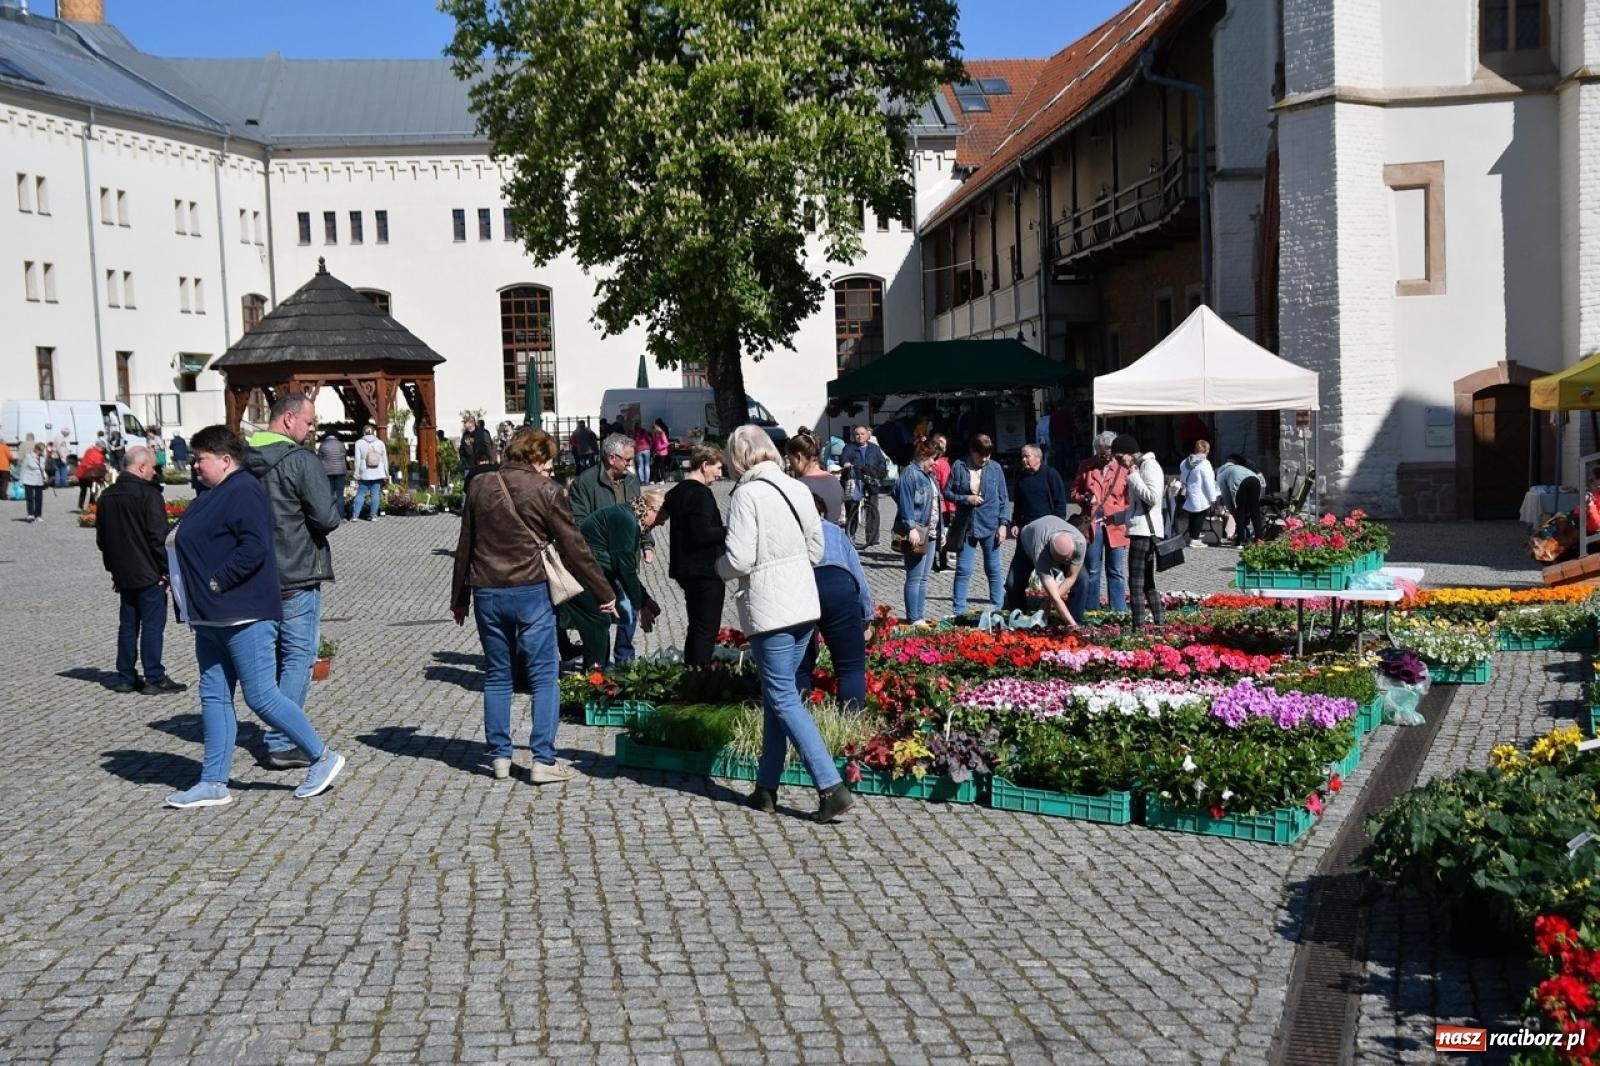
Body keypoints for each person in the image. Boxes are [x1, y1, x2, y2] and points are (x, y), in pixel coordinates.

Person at [165, 425, 346, 809]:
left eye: (201, 459)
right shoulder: (210, 495)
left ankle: (322, 757)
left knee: (261, 696)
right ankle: (213, 781)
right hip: (211, 619)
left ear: (226, 460)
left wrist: (215, 583)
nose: (195, 466)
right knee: (214, 696)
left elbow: (255, 548)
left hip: (243, 613)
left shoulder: (243, 490)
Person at [451, 427, 615, 781]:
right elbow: (576, 549)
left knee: (498, 675)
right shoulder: (548, 491)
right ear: (536, 457)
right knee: (544, 678)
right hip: (530, 591)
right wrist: (605, 593)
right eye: (550, 459)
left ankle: (498, 757)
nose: (553, 468)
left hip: (486, 592)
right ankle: (543, 760)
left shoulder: (479, 486)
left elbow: (466, 544)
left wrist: (459, 598)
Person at [717, 424, 852, 823]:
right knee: (780, 695)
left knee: (783, 697)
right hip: (803, 603)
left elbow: (738, 559)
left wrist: (717, 567)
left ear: (738, 456)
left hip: (771, 608)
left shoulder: (746, 494)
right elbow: (817, 547)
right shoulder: (795, 486)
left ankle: (830, 786)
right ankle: (766, 788)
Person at [246, 394, 343, 771]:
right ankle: (283, 739)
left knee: (271, 656)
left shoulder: (241, 460)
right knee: (299, 657)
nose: (311, 429)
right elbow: (326, 518)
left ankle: (278, 728)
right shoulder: (300, 461)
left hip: (255, 574)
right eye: (308, 422)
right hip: (297, 570)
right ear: (287, 420)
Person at [96, 445, 185, 694]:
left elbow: (103, 539)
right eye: (153, 468)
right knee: (152, 625)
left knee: (128, 625)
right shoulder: (148, 495)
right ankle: (154, 677)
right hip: (149, 573)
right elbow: (158, 538)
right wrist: (167, 571)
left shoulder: (107, 496)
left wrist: (114, 570)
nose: (154, 472)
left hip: (124, 573)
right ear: (141, 467)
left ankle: (125, 676)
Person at [569, 432, 655, 665]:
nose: (631, 464)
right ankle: (601, 665)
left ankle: (625, 658)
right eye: (627, 459)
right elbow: (579, 525)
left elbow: (640, 514)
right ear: (610, 458)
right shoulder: (585, 483)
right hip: (601, 564)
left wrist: (646, 543)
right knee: (606, 613)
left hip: (626, 555)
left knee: (628, 607)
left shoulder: (631, 480)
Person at [562, 492, 668, 669]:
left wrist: (646, 599)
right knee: (597, 623)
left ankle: (597, 673)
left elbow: (624, 569)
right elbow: (625, 570)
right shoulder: (626, 520)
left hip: (591, 573)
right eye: (662, 517)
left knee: (599, 623)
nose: (663, 522)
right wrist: (641, 605)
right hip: (583, 574)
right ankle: (594, 677)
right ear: (650, 510)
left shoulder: (628, 517)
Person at [799, 493, 872, 712]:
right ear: (821, 513)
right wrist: (866, 615)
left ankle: (799, 722)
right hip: (838, 587)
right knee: (851, 666)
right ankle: (848, 727)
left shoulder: (789, 532)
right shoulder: (834, 531)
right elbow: (859, 576)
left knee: (799, 668)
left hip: (803, 588)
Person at [663, 444, 727, 667]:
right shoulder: (700, 493)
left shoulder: (676, 492)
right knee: (706, 629)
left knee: (696, 625)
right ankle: (699, 676)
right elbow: (701, 534)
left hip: (685, 568)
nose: (719, 474)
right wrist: (731, 530)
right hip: (705, 569)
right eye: (717, 468)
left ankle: (691, 670)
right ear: (704, 465)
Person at [944, 433, 1011, 616]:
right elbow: (948, 493)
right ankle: (959, 611)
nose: (985, 459)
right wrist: (966, 498)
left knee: (993, 569)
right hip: (967, 526)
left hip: (990, 524)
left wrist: (1003, 524)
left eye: (988, 455)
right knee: (963, 569)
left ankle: (997, 607)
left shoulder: (995, 468)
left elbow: (1004, 498)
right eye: (981, 455)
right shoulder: (959, 466)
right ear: (972, 452)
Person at [1068, 431, 1129, 621]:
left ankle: (1118, 611)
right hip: (1092, 524)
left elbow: (1129, 498)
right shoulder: (1086, 466)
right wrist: (1084, 498)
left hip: (1116, 525)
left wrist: (1121, 512)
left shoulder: (1123, 468)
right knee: (1093, 569)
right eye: (1100, 451)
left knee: (1116, 570)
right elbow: (1073, 492)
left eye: (1107, 452)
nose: (1103, 456)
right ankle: (1091, 609)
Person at [1004, 444, 1069, 611]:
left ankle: (1071, 611)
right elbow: (1018, 504)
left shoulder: (1050, 475)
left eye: (1027, 456)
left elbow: (1061, 504)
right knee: (1012, 583)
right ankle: (1018, 615)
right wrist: (1015, 523)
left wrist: (1057, 527)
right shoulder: (1021, 477)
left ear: (1038, 458)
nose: (1024, 460)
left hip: (1049, 534)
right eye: (1022, 456)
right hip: (1027, 535)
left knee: (1075, 576)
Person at [1114, 434, 1166, 630]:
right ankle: (1159, 621)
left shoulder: (1148, 467)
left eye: (1120, 457)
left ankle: (1138, 627)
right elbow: (1137, 507)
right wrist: (1116, 518)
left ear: (1130, 453)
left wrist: (1134, 477)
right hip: (1142, 529)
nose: (1120, 463)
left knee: (1135, 581)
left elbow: (1152, 498)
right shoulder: (1140, 467)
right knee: (1146, 582)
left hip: (1144, 532)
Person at [894, 437, 940, 621]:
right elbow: (904, 502)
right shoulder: (910, 474)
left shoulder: (929, 476)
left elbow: (936, 503)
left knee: (923, 578)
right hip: (917, 531)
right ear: (924, 455)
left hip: (931, 531)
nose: (935, 463)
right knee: (914, 577)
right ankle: (913, 618)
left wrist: (941, 529)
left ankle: (919, 617)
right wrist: (911, 527)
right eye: (933, 458)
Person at [1017, 514, 1086, 627]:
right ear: (1052, 555)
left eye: (1069, 558)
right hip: (1027, 541)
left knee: (1082, 579)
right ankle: (1020, 621)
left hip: (1051, 527)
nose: (1066, 562)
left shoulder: (1080, 542)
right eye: (1063, 560)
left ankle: (1076, 618)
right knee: (1013, 583)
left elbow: (1071, 577)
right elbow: (1055, 596)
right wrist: (1072, 624)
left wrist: (1048, 602)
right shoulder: (1040, 554)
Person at [838, 424, 888, 548]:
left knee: (873, 508)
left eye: (862, 434)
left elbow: (882, 463)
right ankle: (850, 534)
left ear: (867, 435)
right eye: (857, 434)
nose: (859, 436)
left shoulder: (874, 449)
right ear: (854, 436)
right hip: (855, 480)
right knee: (852, 508)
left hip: (871, 480)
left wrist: (878, 472)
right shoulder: (849, 447)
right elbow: (843, 459)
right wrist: (846, 463)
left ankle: (872, 537)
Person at [785, 431, 844, 526]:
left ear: (798, 457)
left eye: (791, 461)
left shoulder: (799, 487)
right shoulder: (834, 481)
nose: (791, 466)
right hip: (833, 537)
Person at [1216, 454, 1266, 546]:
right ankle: (1259, 539)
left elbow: (1227, 498)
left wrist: (1233, 513)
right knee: (1255, 510)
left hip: (1241, 482)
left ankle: (1240, 540)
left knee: (1241, 510)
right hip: (1255, 480)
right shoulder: (1237, 468)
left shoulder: (1221, 475)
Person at [1179, 439, 1220, 547]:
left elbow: (1182, 478)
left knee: (1192, 515)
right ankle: (1195, 538)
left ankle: (1193, 536)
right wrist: (1213, 498)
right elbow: (1209, 482)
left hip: (1189, 492)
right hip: (1200, 494)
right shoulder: (1205, 463)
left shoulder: (1185, 462)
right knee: (1199, 516)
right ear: (1206, 450)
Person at [352, 423, 388, 521]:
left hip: (365, 472)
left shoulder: (359, 443)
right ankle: (373, 516)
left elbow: (357, 459)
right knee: (375, 494)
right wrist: (386, 473)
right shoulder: (380, 443)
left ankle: (355, 516)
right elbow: (385, 459)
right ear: (374, 432)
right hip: (378, 472)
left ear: (363, 432)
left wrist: (356, 473)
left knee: (361, 494)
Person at [930, 433, 954, 572]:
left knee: (932, 533)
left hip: (931, 504)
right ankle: (943, 562)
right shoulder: (943, 464)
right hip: (942, 505)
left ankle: (932, 562)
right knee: (943, 533)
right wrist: (952, 508)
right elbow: (947, 486)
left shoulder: (929, 462)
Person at [459, 414, 498, 484]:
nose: (465, 426)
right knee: (468, 486)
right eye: (464, 424)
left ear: (472, 423)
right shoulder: (465, 435)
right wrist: (465, 463)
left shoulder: (482, 432)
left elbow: (489, 447)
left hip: (483, 464)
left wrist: (491, 461)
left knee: (485, 484)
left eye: (466, 423)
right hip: (470, 466)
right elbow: (462, 450)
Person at [317, 429, 348, 512]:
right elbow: (345, 456)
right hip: (340, 471)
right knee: (340, 495)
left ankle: (330, 515)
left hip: (327, 472)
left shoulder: (323, 445)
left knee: (329, 494)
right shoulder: (341, 444)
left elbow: (319, 458)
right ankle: (340, 515)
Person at [75, 440, 109, 511]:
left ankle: (80, 506)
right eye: (102, 448)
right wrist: (106, 470)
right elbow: (99, 465)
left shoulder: (89, 450)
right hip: (92, 475)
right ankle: (91, 507)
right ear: (98, 446)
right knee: (93, 491)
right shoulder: (98, 455)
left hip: (82, 473)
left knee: (83, 491)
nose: (103, 450)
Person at [18, 442, 47, 523]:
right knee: (29, 497)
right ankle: (30, 514)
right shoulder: (28, 457)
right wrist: (21, 481)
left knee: (39, 498)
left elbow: (42, 468)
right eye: (41, 450)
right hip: (29, 479)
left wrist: (45, 476)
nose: (42, 452)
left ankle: (38, 515)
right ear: (36, 449)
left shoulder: (42, 458)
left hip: (39, 479)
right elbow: (23, 469)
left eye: (43, 450)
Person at [651, 418, 671, 483]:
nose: (653, 431)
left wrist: (659, 447)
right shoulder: (656, 435)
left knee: (661, 466)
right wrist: (653, 447)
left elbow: (666, 443)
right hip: (657, 453)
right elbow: (655, 443)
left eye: (654, 429)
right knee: (655, 466)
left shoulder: (662, 434)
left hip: (663, 453)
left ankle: (663, 480)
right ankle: (655, 480)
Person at [0, 435, 11, 501]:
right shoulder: (5, 447)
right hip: (4, 467)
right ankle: (3, 495)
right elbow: (10, 456)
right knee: (4, 482)